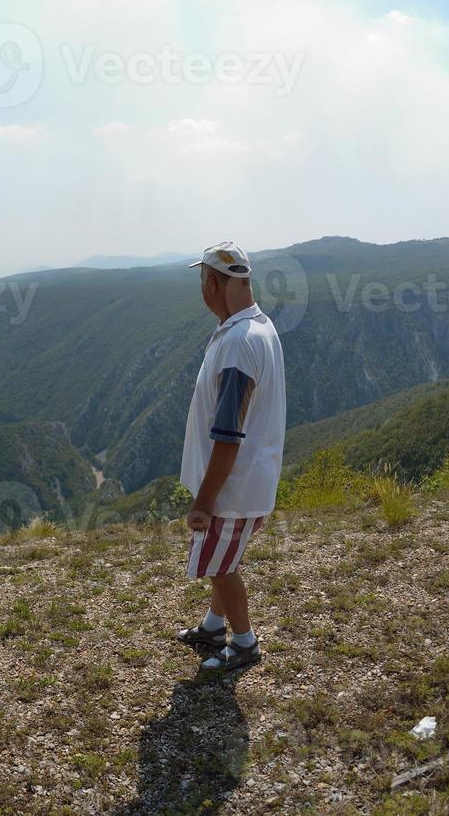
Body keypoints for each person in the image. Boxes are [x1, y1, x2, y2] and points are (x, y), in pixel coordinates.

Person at [175, 242, 286, 677]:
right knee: (226, 559)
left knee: (219, 566)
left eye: (203, 282)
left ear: (212, 283)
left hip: (231, 489)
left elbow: (227, 436)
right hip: (246, 481)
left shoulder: (239, 343)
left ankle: (244, 643)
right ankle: (213, 627)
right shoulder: (257, 327)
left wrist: (204, 501)